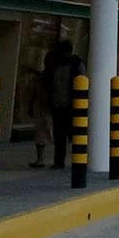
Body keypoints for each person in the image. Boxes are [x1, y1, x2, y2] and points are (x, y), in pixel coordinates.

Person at [29, 40, 74, 168]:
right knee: (58, 134)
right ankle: (58, 161)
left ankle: (49, 160)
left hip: (55, 105)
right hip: (57, 105)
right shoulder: (60, 69)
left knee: (49, 132)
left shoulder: (56, 71)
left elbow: (43, 89)